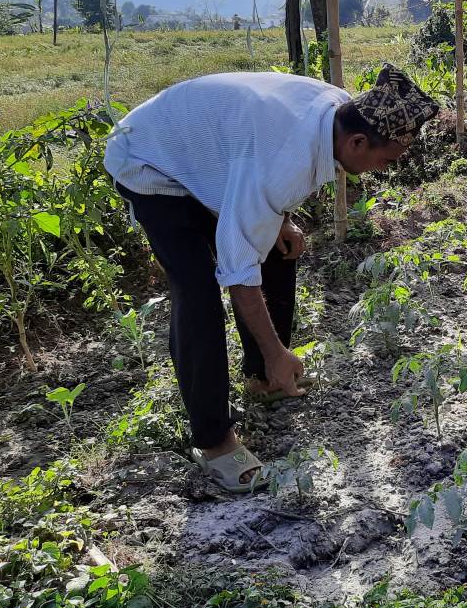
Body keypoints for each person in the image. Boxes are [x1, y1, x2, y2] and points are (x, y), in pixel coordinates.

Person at [104, 64, 439, 492]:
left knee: (281, 248)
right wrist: (278, 348)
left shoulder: (339, 111)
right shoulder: (286, 160)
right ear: (356, 142)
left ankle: (264, 377)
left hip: (211, 153)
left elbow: (253, 164)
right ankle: (215, 441)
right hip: (151, 160)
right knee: (198, 291)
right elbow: (240, 274)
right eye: (384, 159)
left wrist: (276, 218)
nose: (383, 169)